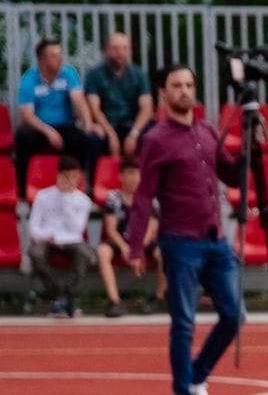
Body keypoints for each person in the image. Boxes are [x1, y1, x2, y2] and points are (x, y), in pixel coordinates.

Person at [130, 65, 245, 395]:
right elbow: (144, 195)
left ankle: (196, 378)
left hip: (215, 239)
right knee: (183, 323)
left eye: (189, 85)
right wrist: (135, 246)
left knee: (233, 314)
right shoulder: (156, 139)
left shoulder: (207, 129)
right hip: (180, 241)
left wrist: (250, 153)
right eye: (177, 86)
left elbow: (228, 172)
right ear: (163, 94)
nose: (184, 91)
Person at [14, 38, 104, 196]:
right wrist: (48, 131)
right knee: (23, 138)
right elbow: (27, 115)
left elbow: (79, 100)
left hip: (65, 126)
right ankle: (22, 190)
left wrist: (88, 123)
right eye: (54, 56)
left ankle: (78, 187)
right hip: (39, 127)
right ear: (42, 59)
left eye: (60, 54)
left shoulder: (68, 73)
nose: (60, 59)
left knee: (81, 140)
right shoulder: (29, 79)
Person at [25, 155, 96, 318]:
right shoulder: (43, 196)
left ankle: (63, 297)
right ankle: (63, 295)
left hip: (72, 239)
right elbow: (34, 227)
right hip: (47, 238)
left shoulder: (83, 201)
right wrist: (46, 236)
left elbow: (77, 229)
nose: (71, 180)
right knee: (35, 253)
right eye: (67, 176)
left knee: (85, 253)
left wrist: (66, 199)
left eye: (74, 177)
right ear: (59, 175)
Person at [96, 157, 162, 318]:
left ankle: (159, 299)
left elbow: (150, 229)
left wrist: (137, 250)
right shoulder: (114, 197)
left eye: (138, 174)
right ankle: (114, 301)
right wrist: (126, 248)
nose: (135, 178)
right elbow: (111, 229)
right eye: (130, 173)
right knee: (102, 251)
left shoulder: (150, 198)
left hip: (142, 241)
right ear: (121, 176)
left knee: (166, 253)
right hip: (121, 241)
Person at [83, 30, 154, 161]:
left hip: (132, 124)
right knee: (92, 139)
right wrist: (111, 135)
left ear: (129, 50)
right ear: (107, 51)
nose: (120, 53)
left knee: (152, 136)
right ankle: (95, 179)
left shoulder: (139, 74)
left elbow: (146, 107)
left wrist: (134, 134)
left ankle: (146, 178)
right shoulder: (94, 75)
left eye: (124, 48)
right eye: (115, 48)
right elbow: (94, 108)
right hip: (106, 124)